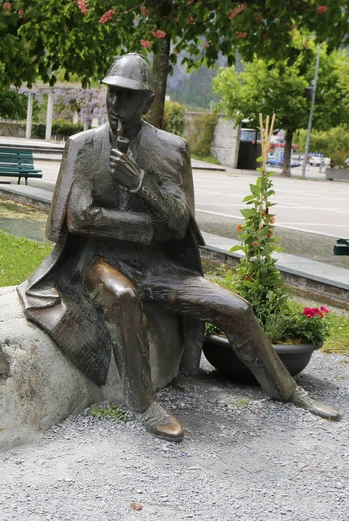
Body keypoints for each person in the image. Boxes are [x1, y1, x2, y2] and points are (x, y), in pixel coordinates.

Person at [18, 53, 340, 442]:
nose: (116, 104)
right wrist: (142, 227)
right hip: (98, 262)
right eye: (112, 94)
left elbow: (178, 222)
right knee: (123, 296)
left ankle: (288, 390)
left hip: (158, 266)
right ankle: (142, 402)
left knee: (236, 308)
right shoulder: (83, 147)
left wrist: (140, 185)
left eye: (128, 96)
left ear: (148, 102)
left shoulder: (171, 150)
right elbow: (78, 219)